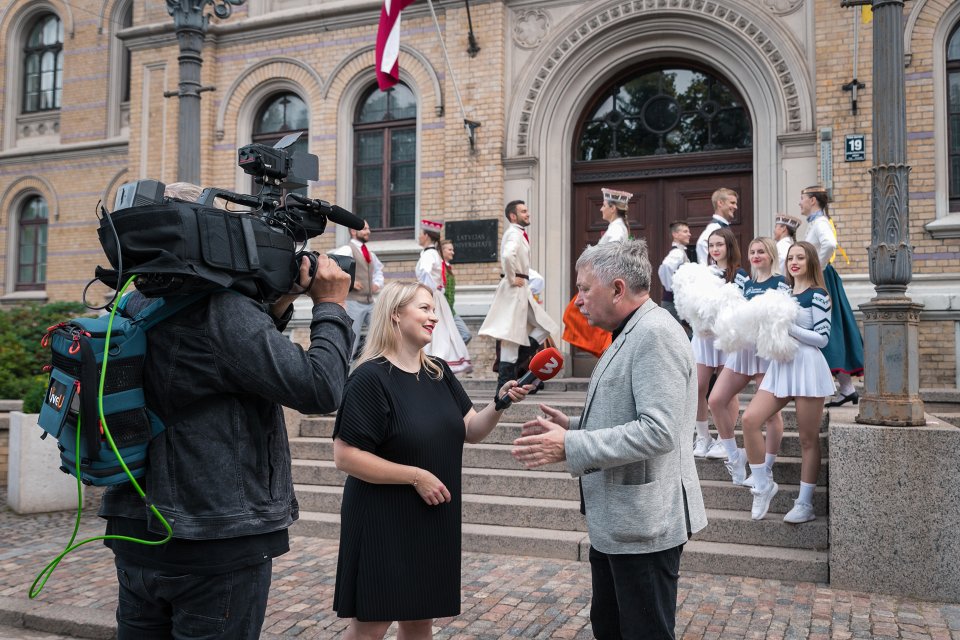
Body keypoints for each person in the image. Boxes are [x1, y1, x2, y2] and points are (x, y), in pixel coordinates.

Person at [99, 189, 355, 639]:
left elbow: (226, 364)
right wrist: (330, 305)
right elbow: (320, 388)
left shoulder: (133, 301)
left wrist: (274, 307)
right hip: (212, 540)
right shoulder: (223, 311)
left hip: (136, 536)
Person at [511, 239, 707, 640]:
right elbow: (628, 413)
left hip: (646, 524)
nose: (578, 300)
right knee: (611, 628)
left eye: (585, 289)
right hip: (621, 522)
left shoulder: (654, 334)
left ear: (618, 289)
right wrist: (576, 425)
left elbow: (659, 430)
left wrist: (571, 445)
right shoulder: (629, 330)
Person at [332, 281, 531, 639]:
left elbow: (471, 428)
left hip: (431, 515)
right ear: (395, 314)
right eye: (424, 308)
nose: (434, 317)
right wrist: (415, 476)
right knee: (372, 623)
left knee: (421, 619)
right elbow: (345, 456)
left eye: (434, 309)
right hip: (382, 518)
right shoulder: (369, 378)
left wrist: (500, 403)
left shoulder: (438, 371)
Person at [741, 241, 833, 523]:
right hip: (780, 365)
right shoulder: (782, 292)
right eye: (791, 257)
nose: (794, 262)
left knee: (807, 438)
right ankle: (762, 484)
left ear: (811, 262)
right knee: (749, 420)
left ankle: (805, 503)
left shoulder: (818, 296)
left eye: (800, 257)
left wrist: (789, 327)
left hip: (807, 365)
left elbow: (823, 338)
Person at [708, 237, 790, 487]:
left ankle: (766, 467)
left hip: (766, 351)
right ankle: (734, 456)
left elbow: (785, 318)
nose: (755, 256)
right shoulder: (747, 283)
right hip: (744, 350)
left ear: (771, 255)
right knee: (716, 399)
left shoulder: (782, 283)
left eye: (761, 251)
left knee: (770, 415)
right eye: (752, 251)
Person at [479, 200, 560, 393]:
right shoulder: (514, 233)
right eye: (523, 211)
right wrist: (511, 276)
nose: (527, 214)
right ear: (513, 216)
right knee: (511, 339)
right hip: (515, 289)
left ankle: (508, 379)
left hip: (521, 290)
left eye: (527, 210)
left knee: (540, 328)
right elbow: (507, 256)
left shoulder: (518, 233)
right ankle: (504, 385)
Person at [798, 186, 864, 406]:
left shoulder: (820, 223)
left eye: (803, 199)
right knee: (831, 328)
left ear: (813, 201)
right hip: (823, 276)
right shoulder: (817, 223)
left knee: (828, 329)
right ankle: (846, 388)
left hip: (822, 277)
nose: (800, 203)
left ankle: (843, 388)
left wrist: (816, 267)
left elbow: (830, 244)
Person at [692, 227, 748, 460]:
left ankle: (726, 439)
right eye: (711, 245)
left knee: (727, 391)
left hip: (727, 336)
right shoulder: (702, 273)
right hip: (704, 336)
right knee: (697, 386)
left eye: (719, 245)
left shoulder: (740, 274)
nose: (715, 249)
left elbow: (743, 304)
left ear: (729, 246)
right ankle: (703, 437)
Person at [562, 187, 632, 358]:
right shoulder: (616, 227)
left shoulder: (616, 229)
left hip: (604, 281)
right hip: (604, 280)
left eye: (603, 205)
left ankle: (606, 351)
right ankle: (606, 351)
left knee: (576, 313)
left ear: (613, 208)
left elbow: (612, 257)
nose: (601, 209)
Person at [416, 220, 473, 373]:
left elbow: (426, 272)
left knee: (434, 332)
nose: (419, 237)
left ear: (427, 236)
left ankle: (429, 363)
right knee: (439, 332)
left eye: (421, 234)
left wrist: (424, 290)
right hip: (435, 296)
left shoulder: (429, 254)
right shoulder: (433, 253)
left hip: (430, 296)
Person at [333, 221, 384, 358]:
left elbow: (379, 271)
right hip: (353, 303)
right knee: (351, 342)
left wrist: (377, 284)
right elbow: (333, 263)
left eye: (368, 228)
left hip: (370, 303)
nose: (368, 231)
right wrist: (350, 281)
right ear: (353, 231)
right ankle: (345, 376)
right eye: (365, 229)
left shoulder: (370, 254)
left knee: (383, 334)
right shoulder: (347, 249)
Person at [657, 220, 692, 332]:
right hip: (671, 303)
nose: (689, 234)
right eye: (685, 231)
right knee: (675, 335)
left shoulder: (680, 252)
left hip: (674, 303)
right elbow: (665, 267)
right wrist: (670, 289)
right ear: (675, 234)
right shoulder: (677, 253)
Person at [440, 239, 472, 346]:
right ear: (442, 251)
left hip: (450, 311)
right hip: (442, 312)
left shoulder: (447, 268)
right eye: (450, 250)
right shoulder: (439, 268)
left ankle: (453, 355)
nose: (452, 252)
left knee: (466, 334)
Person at [695, 187, 738, 264]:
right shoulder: (715, 227)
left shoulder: (721, 226)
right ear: (720, 203)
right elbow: (701, 244)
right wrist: (714, 268)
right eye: (732, 203)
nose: (736, 207)